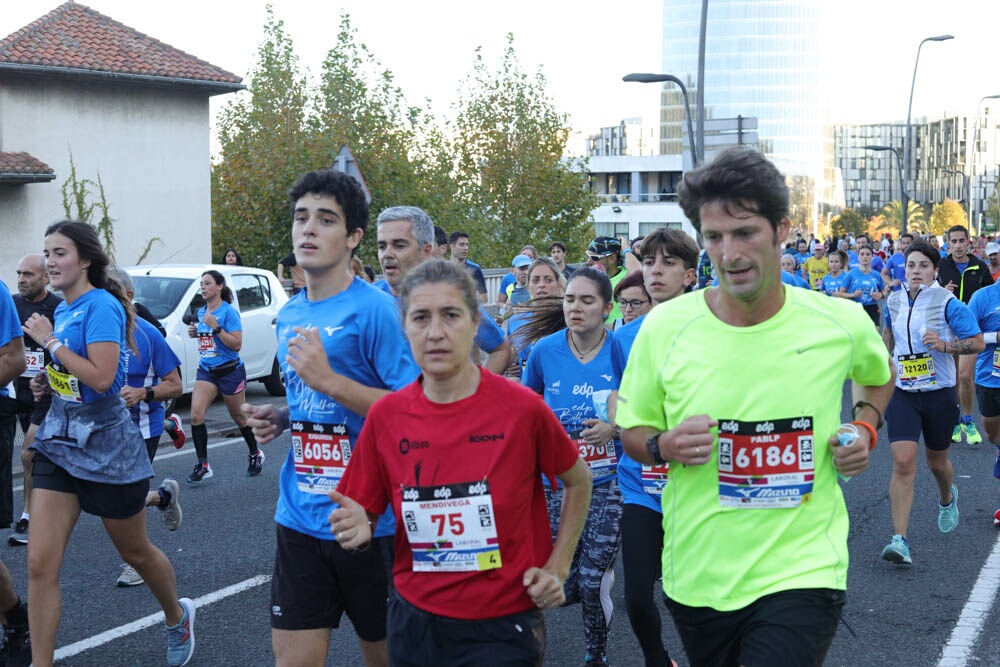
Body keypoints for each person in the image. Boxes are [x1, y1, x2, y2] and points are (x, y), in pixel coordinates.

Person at [616, 148, 894, 667]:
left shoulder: (840, 322)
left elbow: (879, 379)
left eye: (745, 233)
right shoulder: (664, 328)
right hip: (700, 574)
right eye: (714, 237)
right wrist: (662, 445)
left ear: (782, 229)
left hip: (804, 569)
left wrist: (864, 427)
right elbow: (632, 429)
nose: (729, 253)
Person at [332, 259, 592, 666]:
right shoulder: (387, 416)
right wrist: (357, 525)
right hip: (414, 621)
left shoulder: (522, 409)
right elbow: (362, 508)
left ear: (475, 324)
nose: (435, 332)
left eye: (450, 315)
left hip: (503, 624)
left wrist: (558, 567)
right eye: (420, 318)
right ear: (406, 329)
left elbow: (578, 480)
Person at [242, 169, 420, 667]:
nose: (308, 230)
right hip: (299, 514)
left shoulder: (377, 311)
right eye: (301, 218)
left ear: (353, 238)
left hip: (372, 519)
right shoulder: (292, 313)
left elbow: (412, 415)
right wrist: (283, 416)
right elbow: (316, 405)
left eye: (325, 220)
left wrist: (329, 382)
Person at [22, 220, 194, 667]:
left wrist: (52, 345)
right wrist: (50, 382)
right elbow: (77, 377)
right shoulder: (63, 308)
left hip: (108, 449)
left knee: (134, 552)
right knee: (40, 565)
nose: (50, 262)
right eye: (47, 253)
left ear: (85, 259)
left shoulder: (101, 306)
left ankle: (177, 616)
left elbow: (103, 380)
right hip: (60, 443)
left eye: (59, 252)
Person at [522, 267, 623, 666]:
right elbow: (527, 407)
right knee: (555, 576)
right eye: (570, 300)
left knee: (592, 578)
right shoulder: (545, 351)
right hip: (556, 482)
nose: (575, 308)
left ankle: (594, 657)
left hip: (609, 479)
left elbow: (644, 409)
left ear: (607, 308)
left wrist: (614, 428)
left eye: (586, 300)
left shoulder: (621, 351)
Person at [610, 227, 699, 667]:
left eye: (667, 263)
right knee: (638, 597)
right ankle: (658, 661)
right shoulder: (625, 338)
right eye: (648, 262)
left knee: (699, 597)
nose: (655, 271)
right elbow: (619, 404)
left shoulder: (711, 330)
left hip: (698, 482)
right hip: (640, 484)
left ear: (690, 275)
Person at [880, 240, 983, 565]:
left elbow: (977, 342)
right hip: (903, 394)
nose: (916, 271)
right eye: (911, 265)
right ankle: (900, 539)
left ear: (935, 271)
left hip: (939, 394)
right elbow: (888, 335)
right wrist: (884, 360)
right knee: (903, 462)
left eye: (924, 265)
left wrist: (945, 345)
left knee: (937, 463)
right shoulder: (893, 301)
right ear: (904, 269)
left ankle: (946, 497)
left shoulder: (947, 301)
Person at [105, 267, 185, 587]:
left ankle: (135, 562)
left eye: (110, 291)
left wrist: (143, 393)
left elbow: (176, 385)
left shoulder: (148, 335)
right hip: (102, 428)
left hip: (141, 428)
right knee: (110, 497)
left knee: (122, 498)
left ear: (128, 296)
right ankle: (161, 497)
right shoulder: (97, 332)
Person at [375, 208, 512, 374]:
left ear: (426, 250)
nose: (387, 254)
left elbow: (500, 349)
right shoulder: (367, 301)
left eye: (399, 245)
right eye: (382, 246)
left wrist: (479, 393)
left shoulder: (453, 297)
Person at [185, 269, 262, 482]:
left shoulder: (229, 313)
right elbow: (207, 340)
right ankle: (203, 465)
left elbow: (236, 345)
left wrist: (216, 327)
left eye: (207, 283)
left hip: (230, 370)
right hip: (207, 370)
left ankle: (255, 453)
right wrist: (197, 333)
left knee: (238, 417)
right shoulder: (200, 312)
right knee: (195, 416)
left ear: (219, 286)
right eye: (201, 284)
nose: (203, 287)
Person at [9, 254, 61, 546]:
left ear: (45, 277)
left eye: (28, 274)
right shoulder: (12, 305)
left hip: (49, 390)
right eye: (19, 273)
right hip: (19, 390)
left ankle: (29, 516)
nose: (21, 279)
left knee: (28, 454)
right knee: (40, 458)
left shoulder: (57, 308)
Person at [939, 224, 994, 445]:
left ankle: (968, 421)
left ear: (968, 243)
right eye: (954, 241)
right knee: (952, 378)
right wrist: (943, 292)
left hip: (971, 329)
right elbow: (928, 292)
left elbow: (991, 296)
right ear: (948, 243)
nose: (958, 245)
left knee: (964, 376)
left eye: (962, 241)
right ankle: (955, 420)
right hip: (947, 328)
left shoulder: (979, 267)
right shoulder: (941, 266)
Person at [962, 278, 1000, 524]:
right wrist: (995, 336)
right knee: (993, 434)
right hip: (990, 378)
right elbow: (967, 334)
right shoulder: (983, 297)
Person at [841, 246, 885, 326]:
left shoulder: (877, 275)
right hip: (856, 308)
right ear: (858, 257)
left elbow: (884, 291)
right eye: (862, 254)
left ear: (872, 257)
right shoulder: (850, 274)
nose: (865, 257)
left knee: (874, 336)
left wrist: (881, 295)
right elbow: (841, 293)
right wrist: (852, 295)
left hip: (872, 308)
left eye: (868, 254)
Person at [587, 236, 627, 322]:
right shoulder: (588, 278)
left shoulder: (627, 277)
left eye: (595, 258)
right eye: (588, 256)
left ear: (612, 258)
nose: (589, 262)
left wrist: (626, 250)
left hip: (618, 332)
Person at [448, 231, 488, 303]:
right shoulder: (443, 268)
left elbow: (484, 297)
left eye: (467, 245)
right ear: (452, 246)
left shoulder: (475, 269)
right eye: (462, 245)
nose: (465, 248)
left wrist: (468, 300)